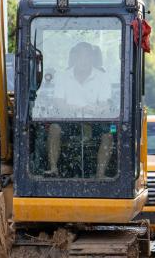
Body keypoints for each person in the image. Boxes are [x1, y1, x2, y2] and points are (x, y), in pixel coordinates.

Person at [45, 41, 116, 179]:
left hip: (95, 120)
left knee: (109, 133)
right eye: (80, 56)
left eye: (87, 56)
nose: (83, 60)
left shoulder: (102, 78)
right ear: (74, 58)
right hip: (68, 119)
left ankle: (100, 175)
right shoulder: (62, 76)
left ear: (92, 58)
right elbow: (59, 103)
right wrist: (80, 108)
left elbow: (104, 104)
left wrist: (95, 111)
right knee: (54, 128)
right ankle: (53, 169)